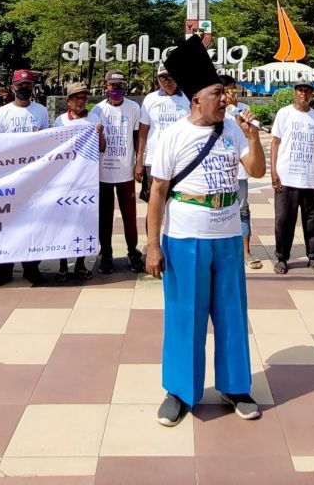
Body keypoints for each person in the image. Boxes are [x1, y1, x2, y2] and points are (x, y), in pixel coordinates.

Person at [145, 35, 266, 427]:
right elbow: (158, 192)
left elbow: (257, 171)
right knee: (186, 315)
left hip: (228, 235)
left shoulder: (231, 129)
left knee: (232, 313)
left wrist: (253, 137)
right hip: (184, 237)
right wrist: (152, 245)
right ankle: (179, 391)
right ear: (197, 98)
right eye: (218, 92)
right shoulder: (172, 136)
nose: (226, 98)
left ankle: (235, 386)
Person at [0, 69, 50, 286]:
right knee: (6, 223)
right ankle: (4, 269)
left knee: (32, 223)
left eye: (28, 85)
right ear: (13, 87)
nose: (24, 89)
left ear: (33, 87)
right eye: (20, 85)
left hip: (33, 178)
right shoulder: (1, 113)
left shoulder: (41, 111)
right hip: (8, 177)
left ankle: (31, 267)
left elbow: (46, 142)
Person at [88, 71, 144, 275]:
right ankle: (107, 254)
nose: (117, 89)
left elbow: (138, 138)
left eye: (120, 85)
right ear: (105, 87)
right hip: (103, 172)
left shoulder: (133, 107)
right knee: (105, 216)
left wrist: (139, 163)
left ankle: (132, 251)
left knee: (130, 215)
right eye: (113, 86)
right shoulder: (97, 110)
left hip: (126, 171)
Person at [270, 82, 314, 275]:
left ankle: (313, 256)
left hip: (309, 177)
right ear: (294, 93)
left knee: (312, 220)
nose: (303, 93)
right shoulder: (284, 113)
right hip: (287, 177)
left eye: (307, 90)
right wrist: (273, 171)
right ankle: (282, 257)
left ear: (312, 93)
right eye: (300, 90)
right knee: (284, 220)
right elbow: (275, 143)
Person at [54, 81, 104, 282]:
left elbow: (102, 147)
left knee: (83, 222)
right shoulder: (60, 121)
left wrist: (99, 133)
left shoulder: (94, 119)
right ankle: (63, 264)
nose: (81, 101)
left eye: (84, 97)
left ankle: (81, 263)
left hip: (86, 180)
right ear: (69, 101)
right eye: (77, 98)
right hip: (65, 181)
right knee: (62, 222)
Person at [135, 64, 190, 202]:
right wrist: (139, 162)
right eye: (162, 77)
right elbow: (143, 133)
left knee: (179, 203)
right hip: (154, 161)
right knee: (154, 203)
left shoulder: (188, 98)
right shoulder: (150, 99)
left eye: (170, 77)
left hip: (181, 160)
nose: (166, 81)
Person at [221, 75, 259, 271]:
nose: (231, 94)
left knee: (243, 210)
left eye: (234, 90)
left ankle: (246, 251)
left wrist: (237, 113)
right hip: (222, 171)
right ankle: (225, 249)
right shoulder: (216, 110)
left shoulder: (243, 109)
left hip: (241, 171)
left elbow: (247, 134)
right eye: (228, 90)